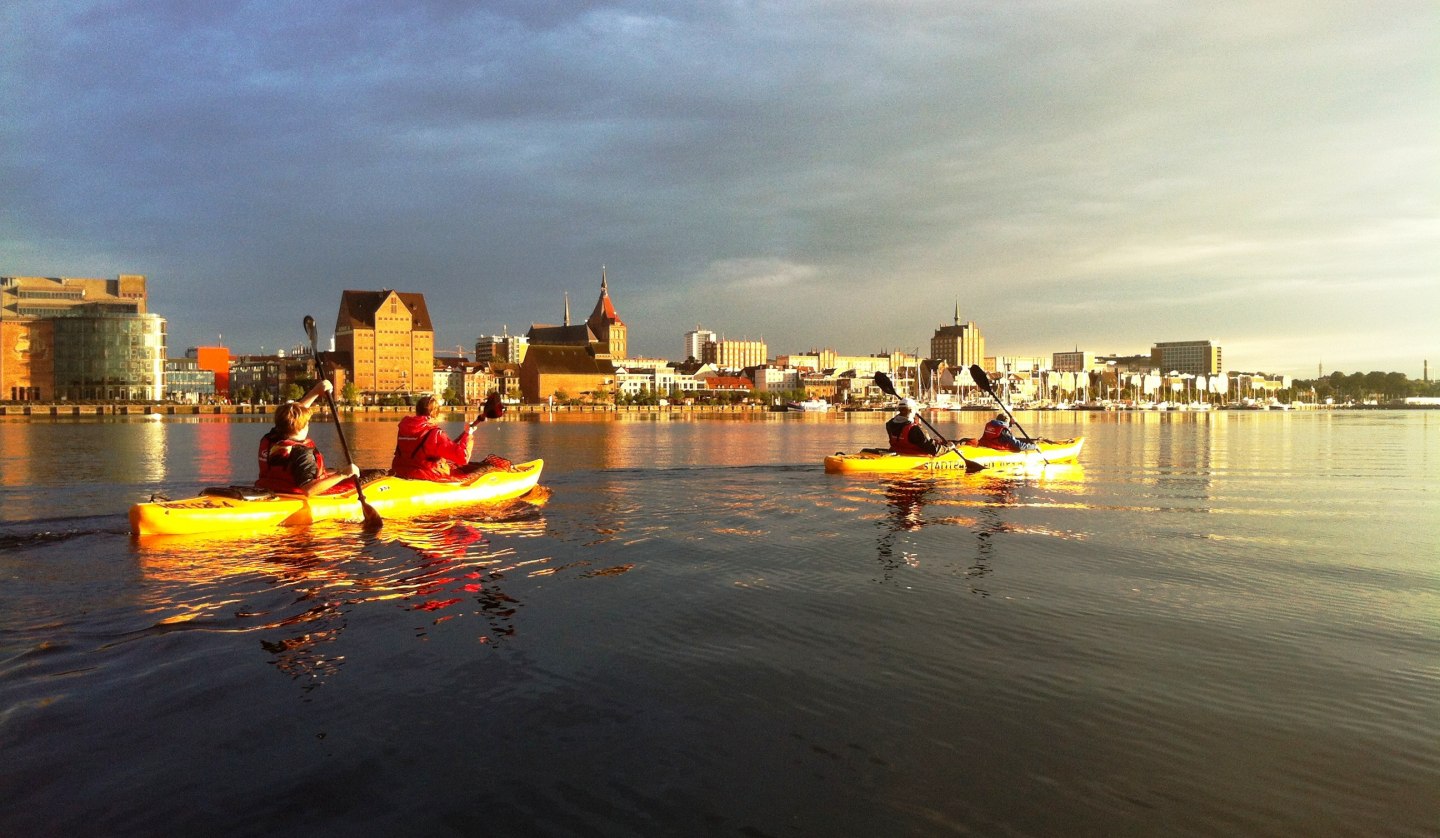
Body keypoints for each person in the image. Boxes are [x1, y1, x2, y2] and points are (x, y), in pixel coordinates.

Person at [255, 380, 361, 494]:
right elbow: (309, 489)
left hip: (271, 489)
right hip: (295, 495)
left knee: (331, 471)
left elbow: (291, 416)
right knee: (357, 476)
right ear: (304, 426)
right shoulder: (303, 454)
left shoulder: (273, 438)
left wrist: (316, 391)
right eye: (307, 422)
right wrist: (342, 474)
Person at [391, 392, 509, 481]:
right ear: (435, 413)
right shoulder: (435, 434)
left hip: (402, 473)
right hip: (429, 477)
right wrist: (468, 434)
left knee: (454, 465)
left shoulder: (403, 429)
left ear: (417, 411)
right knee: (484, 469)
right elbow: (463, 458)